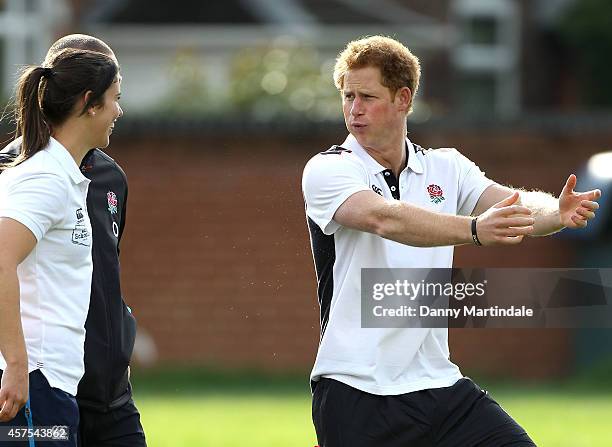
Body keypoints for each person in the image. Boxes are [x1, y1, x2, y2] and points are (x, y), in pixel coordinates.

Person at [302, 35, 601, 447]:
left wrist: (556, 213)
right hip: (356, 390)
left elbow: (512, 204)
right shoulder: (328, 169)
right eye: (348, 96)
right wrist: (475, 229)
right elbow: (383, 218)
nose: (354, 109)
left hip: (440, 386)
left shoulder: (447, 166)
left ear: (403, 98)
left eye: (367, 97)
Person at [0, 35, 146, 447]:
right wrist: (15, 362)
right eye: (114, 97)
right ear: (88, 101)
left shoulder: (78, 178)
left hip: (71, 385)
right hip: (37, 384)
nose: (119, 109)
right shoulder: (41, 176)